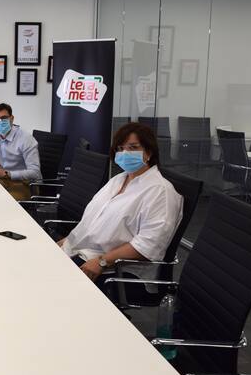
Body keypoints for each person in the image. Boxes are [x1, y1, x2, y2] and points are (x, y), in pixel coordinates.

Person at [58, 122, 183, 287]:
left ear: (149, 152)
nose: (125, 153)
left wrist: (102, 261)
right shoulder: (118, 180)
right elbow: (92, 221)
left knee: (51, 283)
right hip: (85, 252)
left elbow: (147, 246)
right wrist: (67, 241)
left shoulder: (160, 192)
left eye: (133, 147)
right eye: (120, 148)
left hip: (118, 270)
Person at [0, 103, 42, 200]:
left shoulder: (26, 138)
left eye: (4, 118)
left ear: (12, 118)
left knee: (3, 201)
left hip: (26, 184)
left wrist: (7, 174)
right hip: (4, 179)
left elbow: (35, 173)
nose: (0, 121)